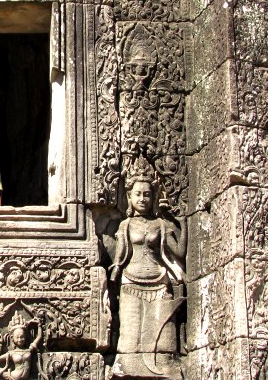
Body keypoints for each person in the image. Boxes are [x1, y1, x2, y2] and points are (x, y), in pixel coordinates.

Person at [109, 155, 186, 377]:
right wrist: (114, 272)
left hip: (158, 280)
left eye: (147, 194)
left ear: (153, 197)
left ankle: (164, 368)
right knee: (130, 333)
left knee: (163, 333)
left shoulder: (161, 224)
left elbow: (179, 252)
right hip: (131, 280)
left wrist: (181, 222)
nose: (142, 199)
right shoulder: (126, 225)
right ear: (129, 197)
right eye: (137, 194)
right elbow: (121, 256)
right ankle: (127, 370)